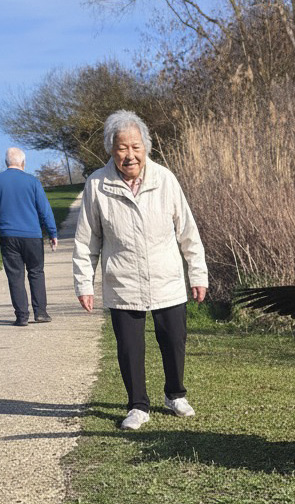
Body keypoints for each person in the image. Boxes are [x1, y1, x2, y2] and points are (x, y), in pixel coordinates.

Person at [73, 110, 208, 430]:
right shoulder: (97, 184)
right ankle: (137, 405)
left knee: (174, 340)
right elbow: (86, 240)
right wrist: (84, 284)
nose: (129, 155)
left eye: (135, 146)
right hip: (123, 280)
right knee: (129, 347)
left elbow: (188, 232)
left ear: (146, 147)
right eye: (122, 148)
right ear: (111, 149)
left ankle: (175, 394)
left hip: (166, 277)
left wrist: (198, 274)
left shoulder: (165, 179)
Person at [0, 148, 57, 326]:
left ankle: (21, 316)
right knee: (36, 272)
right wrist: (52, 232)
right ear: (23, 163)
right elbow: (44, 210)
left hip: (8, 235)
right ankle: (40, 313)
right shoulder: (32, 181)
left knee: (15, 276)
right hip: (32, 235)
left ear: (6, 163)